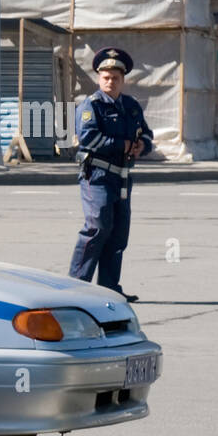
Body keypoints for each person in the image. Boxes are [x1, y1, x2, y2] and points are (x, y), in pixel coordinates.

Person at [67, 47, 155, 301]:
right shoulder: (90, 105)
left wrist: (142, 145)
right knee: (97, 227)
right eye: (105, 76)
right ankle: (75, 287)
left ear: (123, 79)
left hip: (123, 177)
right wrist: (123, 145)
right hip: (97, 175)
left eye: (115, 77)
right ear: (98, 78)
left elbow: (146, 133)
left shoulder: (131, 106)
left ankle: (109, 289)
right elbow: (88, 137)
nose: (110, 81)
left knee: (118, 233)